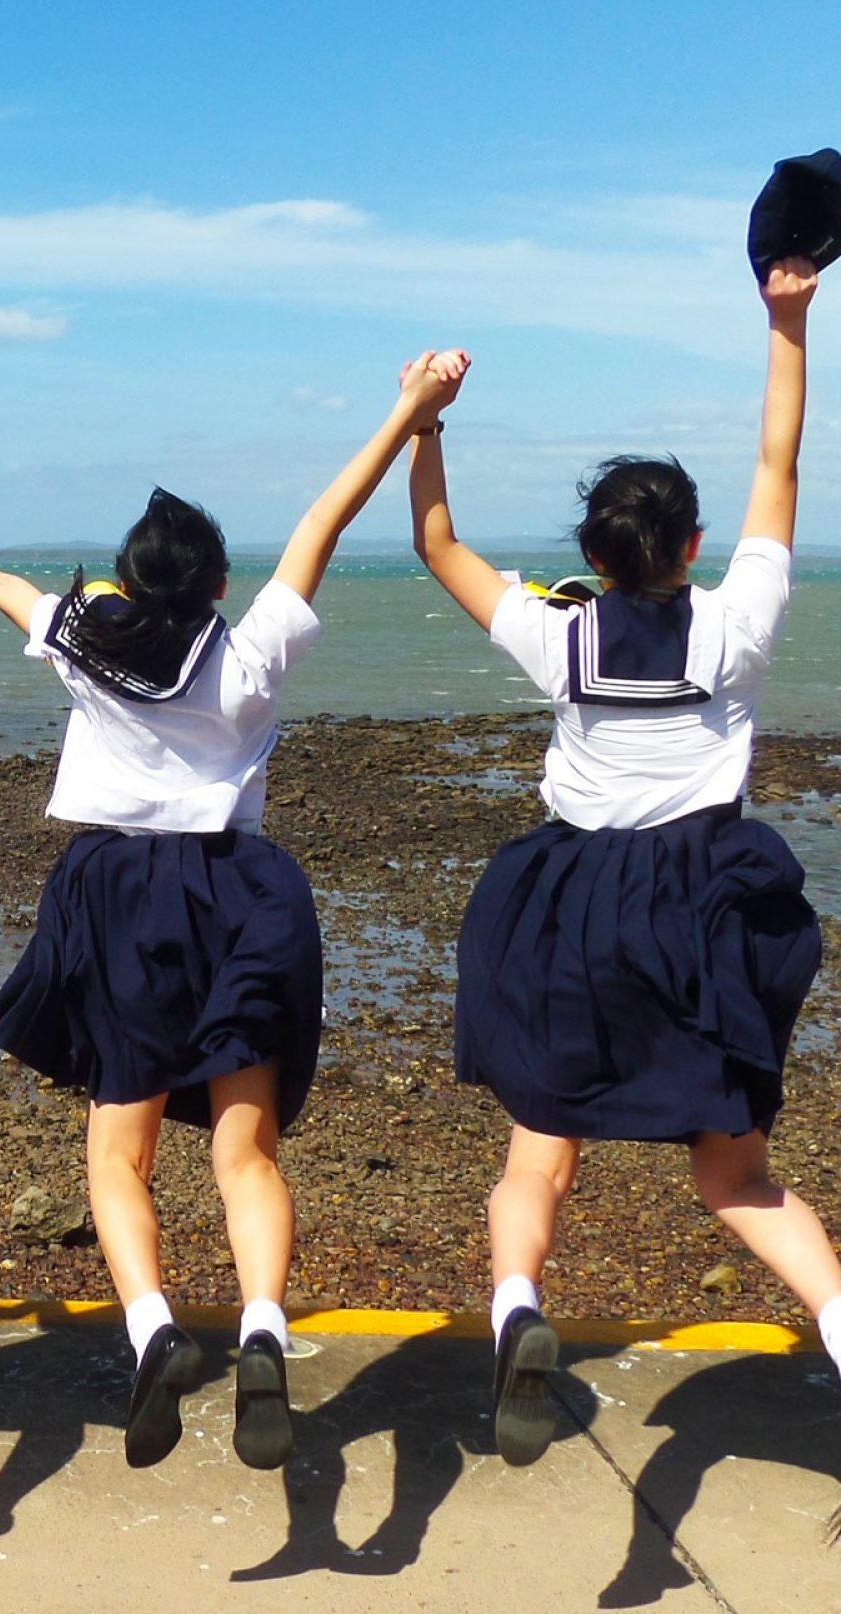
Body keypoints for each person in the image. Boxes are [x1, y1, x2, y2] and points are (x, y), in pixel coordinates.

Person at [0, 354, 463, 1470]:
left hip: (120, 891)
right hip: (243, 889)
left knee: (116, 1156)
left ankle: (154, 1331)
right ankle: (264, 1331)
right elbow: (327, 518)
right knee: (247, 1151)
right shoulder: (253, 647)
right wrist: (411, 416)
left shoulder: (87, 635)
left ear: (129, 583)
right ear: (218, 587)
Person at [411, 260, 838, 1466]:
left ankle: (519, 1309)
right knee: (738, 1176)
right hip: (705, 903)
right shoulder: (733, 624)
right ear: (692, 545)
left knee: (540, 1155)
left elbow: (436, 542)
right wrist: (788, 322)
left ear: (595, 557)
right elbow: (780, 466)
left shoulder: (561, 635)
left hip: (577, 904)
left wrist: (427, 422)